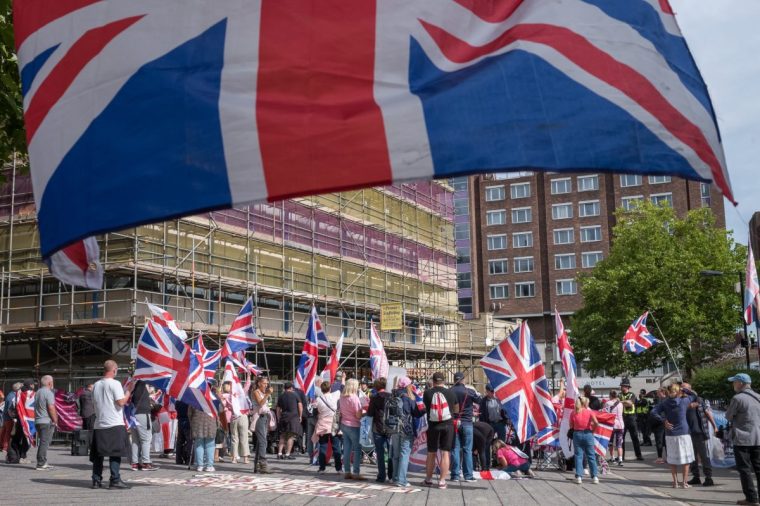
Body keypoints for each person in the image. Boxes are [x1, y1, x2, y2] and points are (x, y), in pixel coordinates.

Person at [90, 360, 132, 489]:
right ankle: (115, 479)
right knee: (115, 453)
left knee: (98, 455)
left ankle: (96, 480)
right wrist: (128, 393)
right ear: (114, 370)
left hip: (99, 423)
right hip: (114, 423)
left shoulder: (96, 385)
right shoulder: (115, 383)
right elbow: (120, 402)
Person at [650, 383, 696, 489]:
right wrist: (685, 389)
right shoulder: (684, 401)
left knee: (672, 460)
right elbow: (694, 395)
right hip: (683, 433)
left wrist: (663, 420)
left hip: (670, 433)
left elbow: (653, 412)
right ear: (678, 391)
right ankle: (684, 483)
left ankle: (675, 483)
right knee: (686, 460)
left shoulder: (665, 403)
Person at [726, 372, 760, 506]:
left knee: (745, 469)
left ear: (740, 383)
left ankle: (751, 498)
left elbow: (728, 416)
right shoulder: (758, 397)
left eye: (734, 382)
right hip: (758, 438)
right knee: (758, 468)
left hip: (743, 438)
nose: (733, 384)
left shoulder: (738, 398)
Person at [422, 371, 459, 489]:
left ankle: (428, 479)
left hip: (433, 426)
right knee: (445, 453)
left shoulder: (427, 393)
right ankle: (442, 481)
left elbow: (424, 407)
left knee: (431, 452)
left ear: (433, 382)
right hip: (448, 425)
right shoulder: (451, 393)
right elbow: (457, 409)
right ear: (443, 381)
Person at [389, 376, 423, 487]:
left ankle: (395, 477)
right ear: (408, 385)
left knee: (396, 454)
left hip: (393, 427)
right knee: (404, 454)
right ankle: (402, 480)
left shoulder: (392, 395)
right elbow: (416, 413)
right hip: (406, 428)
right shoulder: (408, 397)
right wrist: (424, 409)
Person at [450, 371, 481, 482]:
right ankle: (468, 475)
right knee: (467, 449)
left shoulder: (450, 391)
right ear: (463, 380)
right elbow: (479, 401)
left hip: (453, 423)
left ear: (454, 380)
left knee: (455, 449)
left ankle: (455, 475)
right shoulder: (469, 391)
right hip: (467, 422)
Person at [683, 382, 715, 487]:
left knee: (704, 455)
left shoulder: (697, 399)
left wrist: (714, 426)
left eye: (684, 387)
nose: (681, 389)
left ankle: (708, 478)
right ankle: (696, 477)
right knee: (692, 456)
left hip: (699, 432)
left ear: (690, 389)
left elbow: (707, 412)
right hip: (687, 433)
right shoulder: (682, 401)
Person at [312, 377, 342, 475]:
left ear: (321, 389)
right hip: (334, 424)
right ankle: (339, 468)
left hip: (322, 425)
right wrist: (343, 379)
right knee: (336, 447)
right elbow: (342, 387)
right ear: (330, 388)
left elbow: (315, 410)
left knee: (323, 446)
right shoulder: (334, 395)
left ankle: (322, 468)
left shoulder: (318, 399)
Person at [366, 377, 393, 483]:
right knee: (391, 452)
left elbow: (370, 413)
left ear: (376, 387)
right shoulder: (391, 396)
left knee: (380, 453)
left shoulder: (374, 397)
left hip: (377, 427)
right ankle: (391, 475)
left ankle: (381, 476)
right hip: (390, 427)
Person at [339, 378, 366, 480]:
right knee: (357, 449)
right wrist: (363, 411)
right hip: (354, 425)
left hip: (344, 424)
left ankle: (347, 471)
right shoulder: (354, 398)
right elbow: (358, 415)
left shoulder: (342, 397)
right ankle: (356, 472)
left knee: (346, 449)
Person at [129, 379, 159, 471]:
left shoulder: (133, 385)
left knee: (135, 440)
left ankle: (135, 463)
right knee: (146, 439)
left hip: (133, 414)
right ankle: (146, 462)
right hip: (142, 414)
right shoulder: (141, 384)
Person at [570, 396, 599, 485]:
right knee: (591, 455)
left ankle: (579, 476)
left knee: (578, 455)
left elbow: (571, 426)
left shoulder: (573, 412)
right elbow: (596, 423)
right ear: (585, 403)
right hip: (588, 433)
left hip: (577, 434)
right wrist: (592, 431)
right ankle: (594, 477)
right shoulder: (589, 412)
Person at [34, 375, 58, 471]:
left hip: (38, 420)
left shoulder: (38, 392)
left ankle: (43, 461)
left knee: (43, 442)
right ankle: (41, 463)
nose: (53, 384)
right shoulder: (48, 393)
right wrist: (55, 420)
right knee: (45, 442)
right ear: (49, 383)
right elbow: (51, 407)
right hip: (46, 421)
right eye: (52, 382)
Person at [250, 375, 273, 474]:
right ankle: (263, 463)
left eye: (267, 383)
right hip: (259, 418)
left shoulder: (263, 392)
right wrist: (267, 394)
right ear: (259, 383)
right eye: (264, 383)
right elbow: (260, 403)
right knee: (263, 441)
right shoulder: (256, 392)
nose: (266, 385)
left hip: (264, 417)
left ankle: (257, 464)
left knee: (261, 442)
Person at [7, 380, 33, 464]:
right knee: (23, 439)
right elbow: (11, 408)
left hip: (20, 420)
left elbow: (11, 409)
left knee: (18, 439)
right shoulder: (27, 395)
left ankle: (16, 457)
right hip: (22, 421)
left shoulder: (19, 395)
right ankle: (19, 457)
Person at [276, 382, 303, 460]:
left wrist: (278, 417)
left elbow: (278, 408)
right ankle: (287, 454)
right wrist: (300, 416)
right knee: (290, 436)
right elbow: (300, 405)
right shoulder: (295, 395)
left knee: (282, 435)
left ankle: (279, 453)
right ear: (291, 388)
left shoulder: (281, 396)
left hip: (283, 417)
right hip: (293, 417)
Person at [619, 378, 644, 461]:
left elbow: (630, 403)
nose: (622, 387)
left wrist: (622, 402)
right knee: (621, 438)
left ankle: (638, 455)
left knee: (635, 437)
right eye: (621, 386)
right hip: (622, 418)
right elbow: (621, 403)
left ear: (627, 387)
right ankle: (621, 456)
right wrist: (625, 402)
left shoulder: (632, 394)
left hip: (631, 418)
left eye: (623, 386)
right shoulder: (619, 395)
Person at [189, 403, 217, 472]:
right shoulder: (212, 399)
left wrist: (192, 422)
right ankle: (209, 466)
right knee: (210, 445)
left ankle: (199, 465)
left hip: (197, 423)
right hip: (211, 423)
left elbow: (189, 413)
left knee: (199, 445)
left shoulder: (194, 399)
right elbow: (219, 411)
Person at [604, 390, 625, 466]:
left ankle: (612, 457)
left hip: (612, 425)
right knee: (619, 443)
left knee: (611, 442)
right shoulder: (620, 404)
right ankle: (620, 459)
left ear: (610, 395)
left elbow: (605, 413)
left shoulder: (608, 403)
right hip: (621, 425)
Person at [0, 383, 21, 453]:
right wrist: (13, 418)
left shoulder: (10, 394)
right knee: (8, 433)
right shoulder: (13, 396)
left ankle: (2, 446)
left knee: (4, 432)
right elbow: (10, 409)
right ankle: (5, 448)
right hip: (9, 418)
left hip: (6, 417)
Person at [649, 387, 668, 464]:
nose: (657, 394)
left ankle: (660, 458)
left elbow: (657, 412)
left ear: (662, 392)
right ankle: (668, 457)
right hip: (664, 422)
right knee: (664, 441)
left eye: (658, 392)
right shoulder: (665, 400)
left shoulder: (662, 401)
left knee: (659, 441)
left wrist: (661, 419)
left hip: (661, 423)